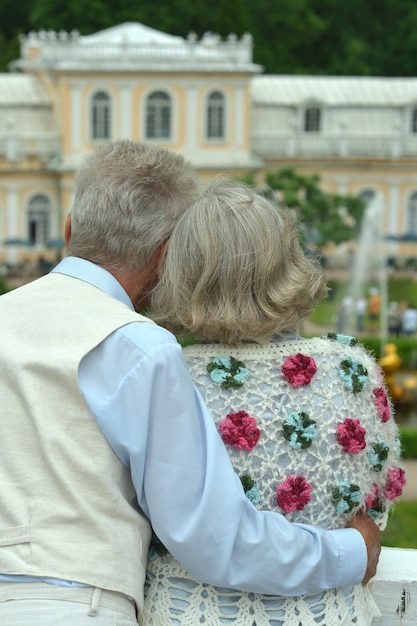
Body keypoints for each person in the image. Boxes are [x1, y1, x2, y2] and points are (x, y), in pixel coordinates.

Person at [0, 141, 381, 626]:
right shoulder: (140, 348)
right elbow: (211, 536)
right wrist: (350, 552)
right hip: (77, 602)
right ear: (166, 255)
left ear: (70, 226)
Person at [146, 179, 406, 626]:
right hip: (326, 610)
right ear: (286, 259)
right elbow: (378, 498)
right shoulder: (351, 369)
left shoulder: (166, 373)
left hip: (191, 611)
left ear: (182, 271)